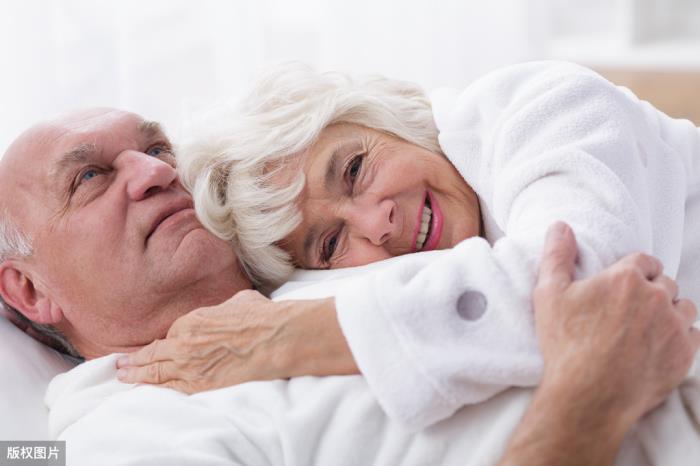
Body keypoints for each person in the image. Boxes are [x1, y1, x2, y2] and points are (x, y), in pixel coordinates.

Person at [0, 108, 696, 465]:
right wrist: (587, 405)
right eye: (89, 177)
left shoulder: (324, 249)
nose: (156, 172)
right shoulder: (129, 432)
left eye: (156, 149)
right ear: (28, 290)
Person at [130, 60, 700, 430]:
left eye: (354, 169)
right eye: (330, 243)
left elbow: (586, 298)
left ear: (385, 121)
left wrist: (283, 339)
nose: (374, 223)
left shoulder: (545, 105)